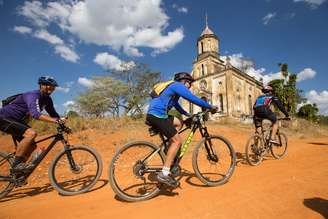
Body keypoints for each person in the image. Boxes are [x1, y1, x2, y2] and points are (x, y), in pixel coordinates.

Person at [146, 72, 217, 187]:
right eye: (190, 83)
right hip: (158, 115)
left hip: (155, 115)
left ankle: (169, 149)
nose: (191, 86)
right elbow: (192, 98)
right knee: (177, 141)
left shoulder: (172, 89)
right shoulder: (177, 86)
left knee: (179, 123)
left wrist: (186, 114)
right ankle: (164, 173)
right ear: (184, 81)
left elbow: (176, 105)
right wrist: (210, 106)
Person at [0, 76, 65, 174]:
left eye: (52, 86)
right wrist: (56, 121)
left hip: (17, 121)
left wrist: (62, 123)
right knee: (31, 134)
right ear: (40, 85)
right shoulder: (33, 95)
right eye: (46, 85)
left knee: (32, 146)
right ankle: (16, 166)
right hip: (4, 117)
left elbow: (53, 114)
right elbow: (35, 114)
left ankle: (18, 172)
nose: (50, 87)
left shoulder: (47, 99)